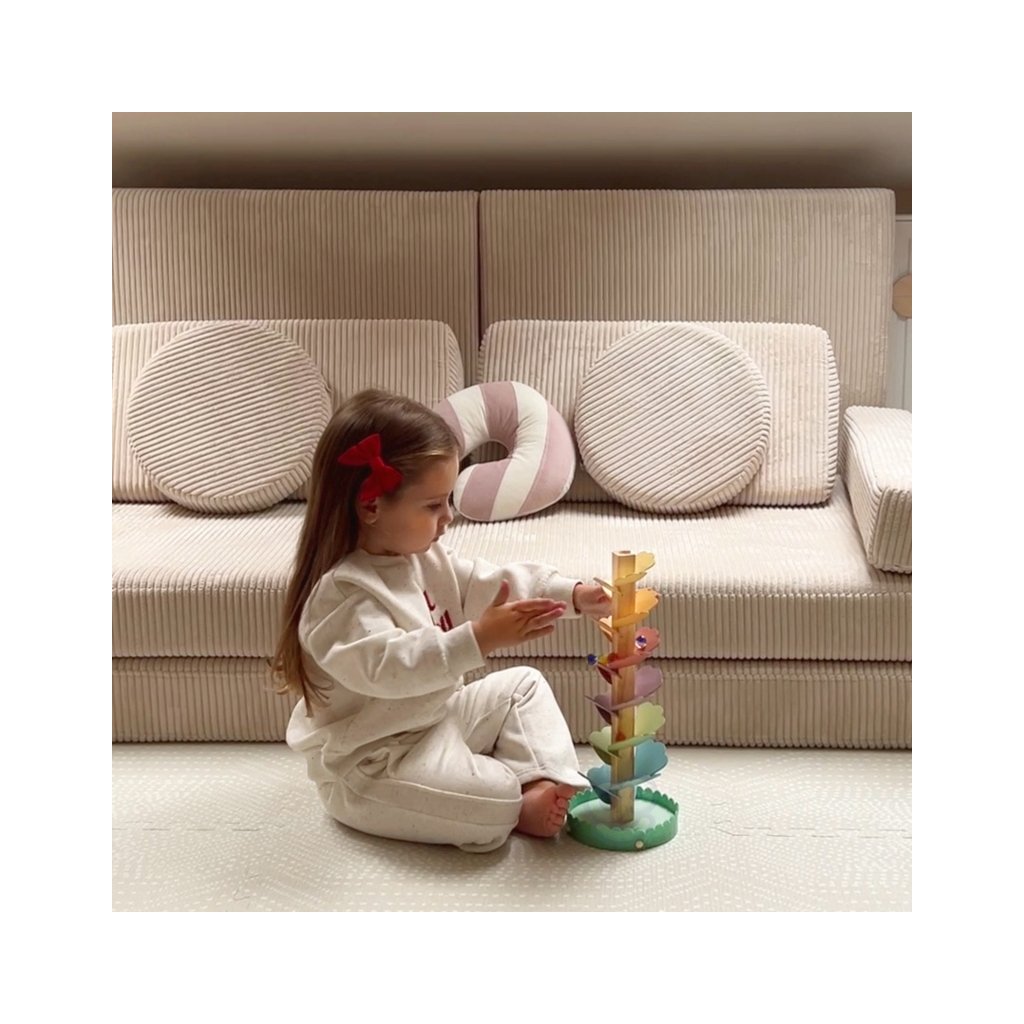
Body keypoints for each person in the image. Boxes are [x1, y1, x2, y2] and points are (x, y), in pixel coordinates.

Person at [272, 388, 612, 853]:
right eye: (433, 505)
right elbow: (393, 667)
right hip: (374, 762)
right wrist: (478, 639)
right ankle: (513, 798)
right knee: (494, 801)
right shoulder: (343, 595)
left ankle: (540, 780)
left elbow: (488, 582)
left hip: (437, 718)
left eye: (447, 501)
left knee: (524, 685)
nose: (448, 517)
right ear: (371, 506)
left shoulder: (423, 556)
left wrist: (571, 594)